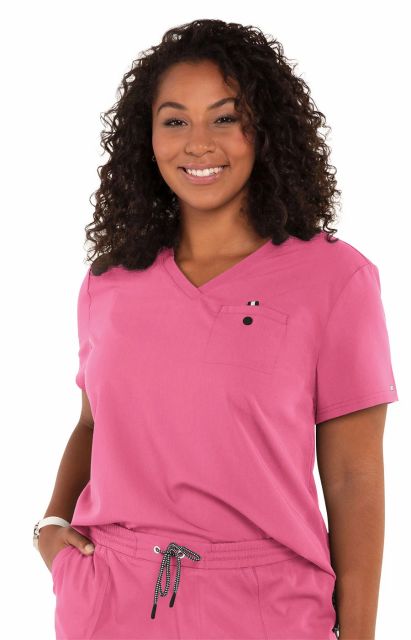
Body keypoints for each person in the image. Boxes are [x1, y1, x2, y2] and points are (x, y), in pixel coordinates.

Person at [33, 18, 399, 640]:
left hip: (269, 610)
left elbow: (353, 476)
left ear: (265, 130)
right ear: (147, 137)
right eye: (175, 121)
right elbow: (93, 424)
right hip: (108, 602)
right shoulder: (110, 281)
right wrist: (51, 526)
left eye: (225, 118)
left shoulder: (335, 280)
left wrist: (360, 635)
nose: (198, 144)